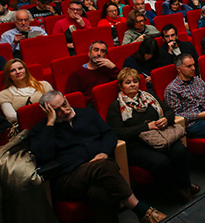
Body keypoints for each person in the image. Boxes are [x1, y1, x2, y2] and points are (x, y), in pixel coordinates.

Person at [29, 90, 166, 223]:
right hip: (68, 178)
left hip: (99, 171)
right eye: (57, 110)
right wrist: (50, 123)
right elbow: (43, 155)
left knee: (100, 192)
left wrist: (103, 153)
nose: (64, 111)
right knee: (104, 165)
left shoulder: (87, 114)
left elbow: (109, 134)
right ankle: (140, 209)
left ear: (66, 99)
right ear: (48, 112)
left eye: (64, 104)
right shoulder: (41, 130)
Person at [106, 68, 198, 202]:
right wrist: (145, 127)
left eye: (135, 81)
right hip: (136, 145)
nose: (133, 84)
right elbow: (117, 132)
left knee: (180, 150)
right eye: (128, 82)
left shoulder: (149, 97)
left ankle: (185, 186)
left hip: (160, 137)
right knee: (161, 161)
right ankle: (174, 191)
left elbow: (169, 111)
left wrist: (166, 119)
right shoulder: (115, 106)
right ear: (120, 86)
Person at [0, 58, 53, 124]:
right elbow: (12, 117)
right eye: (13, 70)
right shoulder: (4, 94)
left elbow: (55, 104)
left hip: (49, 121)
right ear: (8, 75)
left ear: (25, 70)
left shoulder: (43, 85)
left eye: (20, 68)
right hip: (25, 128)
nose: (18, 72)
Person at [66, 41, 119, 106]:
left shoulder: (109, 69)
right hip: (90, 106)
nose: (99, 53)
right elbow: (73, 99)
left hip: (111, 103)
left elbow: (122, 84)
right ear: (89, 53)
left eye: (102, 51)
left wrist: (113, 68)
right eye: (96, 50)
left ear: (105, 55)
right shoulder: (77, 74)